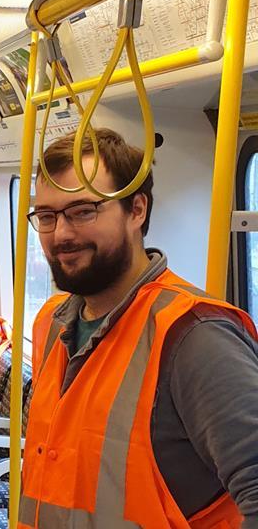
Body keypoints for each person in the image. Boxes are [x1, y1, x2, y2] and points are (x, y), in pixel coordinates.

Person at [19, 129, 258, 527]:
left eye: (82, 211)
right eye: (46, 216)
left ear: (137, 210)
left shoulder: (194, 335)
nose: (61, 234)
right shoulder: (52, 322)